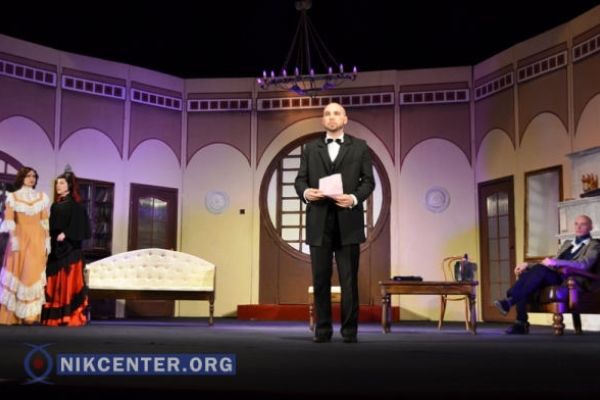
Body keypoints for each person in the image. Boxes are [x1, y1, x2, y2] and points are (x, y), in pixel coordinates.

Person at [294, 102, 375, 343]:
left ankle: (349, 331)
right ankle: (323, 330)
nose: (331, 117)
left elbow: (368, 182)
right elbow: (300, 180)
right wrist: (306, 192)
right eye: (327, 113)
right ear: (323, 120)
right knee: (320, 280)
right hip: (319, 221)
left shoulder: (360, 147)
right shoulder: (311, 148)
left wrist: (353, 198)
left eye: (336, 113)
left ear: (345, 119)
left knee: (349, 280)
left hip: (348, 220)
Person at [494, 215, 600, 334]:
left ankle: (510, 301)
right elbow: (549, 263)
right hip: (555, 276)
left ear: (591, 227)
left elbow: (584, 264)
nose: (578, 227)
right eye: (576, 224)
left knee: (539, 271)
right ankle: (520, 322)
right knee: (526, 274)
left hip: (570, 279)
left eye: (583, 224)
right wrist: (527, 265)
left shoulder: (594, 245)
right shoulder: (567, 243)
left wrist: (557, 262)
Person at [0, 167, 50, 325]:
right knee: (17, 274)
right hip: (19, 241)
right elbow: (9, 219)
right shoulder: (13, 197)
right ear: (22, 178)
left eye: (34, 176)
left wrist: (47, 241)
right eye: (28, 176)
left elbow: (44, 221)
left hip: (37, 241)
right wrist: (13, 238)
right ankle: (12, 315)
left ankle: (30, 315)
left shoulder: (41, 197)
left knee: (32, 275)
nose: (31, 178)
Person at [41, 170, 91, 326]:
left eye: (62, 183)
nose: (58, 186)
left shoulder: (76, 206)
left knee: (68, 283)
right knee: (54, 281)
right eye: (57, 183)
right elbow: (51, 226)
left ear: (69, 185)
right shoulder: (55, 205)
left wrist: (66, 233)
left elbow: (81, 227)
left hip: (70, 250)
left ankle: (69, 316)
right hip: (56, 249)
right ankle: (54, 317)